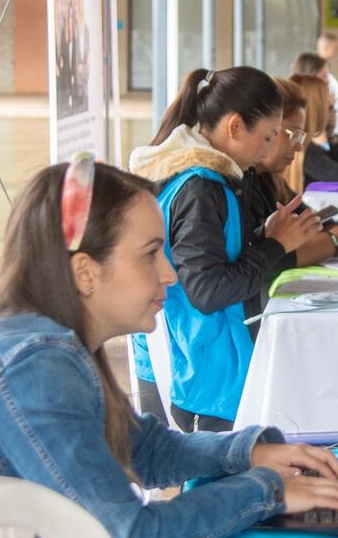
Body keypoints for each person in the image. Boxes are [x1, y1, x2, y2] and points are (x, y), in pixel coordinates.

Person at [0, 158, 338, 538]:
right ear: (86, 272)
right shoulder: (35, 368)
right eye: (151, 254)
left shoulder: (46, 340)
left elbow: (143, 449)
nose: (170, 273)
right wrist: (268, 492)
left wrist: (250, 453)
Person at [128, 67, 323, 432]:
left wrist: (261, 237)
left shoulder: (210, 177)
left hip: (202, 363)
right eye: (267, 138)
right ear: (235, 127)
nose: (269, 149)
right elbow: (208, 290)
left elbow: (210, 257)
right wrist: (274, 246)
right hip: (201, 376)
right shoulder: (201, 187)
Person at [253, 77, 338, 280]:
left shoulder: (268, 180)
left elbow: (314, 220)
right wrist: (334, 242)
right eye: (293, 135)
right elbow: (263, 261)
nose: (298, 147)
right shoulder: (234, 186)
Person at [316, 32, 338, 98]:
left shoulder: (325, 64)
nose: (337, 51)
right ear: (326, 47)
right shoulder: (313, 65)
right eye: (335, 48)